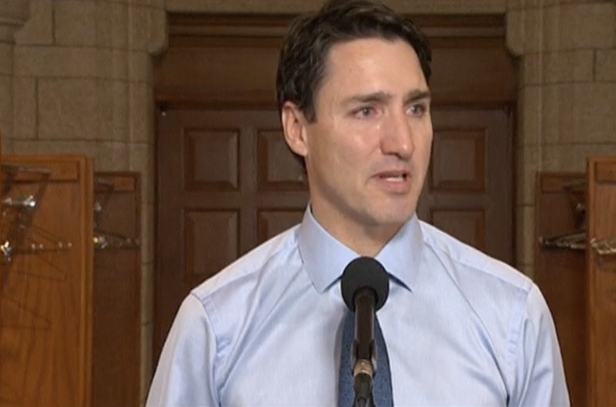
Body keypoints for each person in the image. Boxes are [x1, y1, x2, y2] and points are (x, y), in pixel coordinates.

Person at [146, 0, 570, 405]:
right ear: (297, 129)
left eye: (417, 109)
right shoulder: (216, 328)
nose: (402, 143)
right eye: (367, 111)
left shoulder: (513, 316)